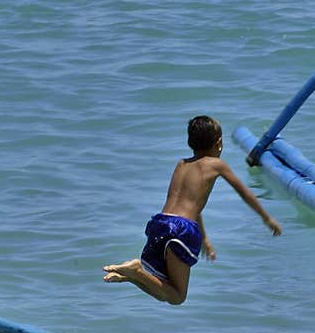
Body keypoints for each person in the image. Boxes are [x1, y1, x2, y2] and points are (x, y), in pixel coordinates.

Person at [103, 115, 282, 305]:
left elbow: (191, 206)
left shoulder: (181, 164)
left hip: (160, 223)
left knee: (166, 289)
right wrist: (266, 218)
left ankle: (131, 275)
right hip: (181, 230)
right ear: (219, 143)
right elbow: (245, 194)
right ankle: (137, 270)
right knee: (178, 296)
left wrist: (204, 238)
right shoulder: (216, 164)